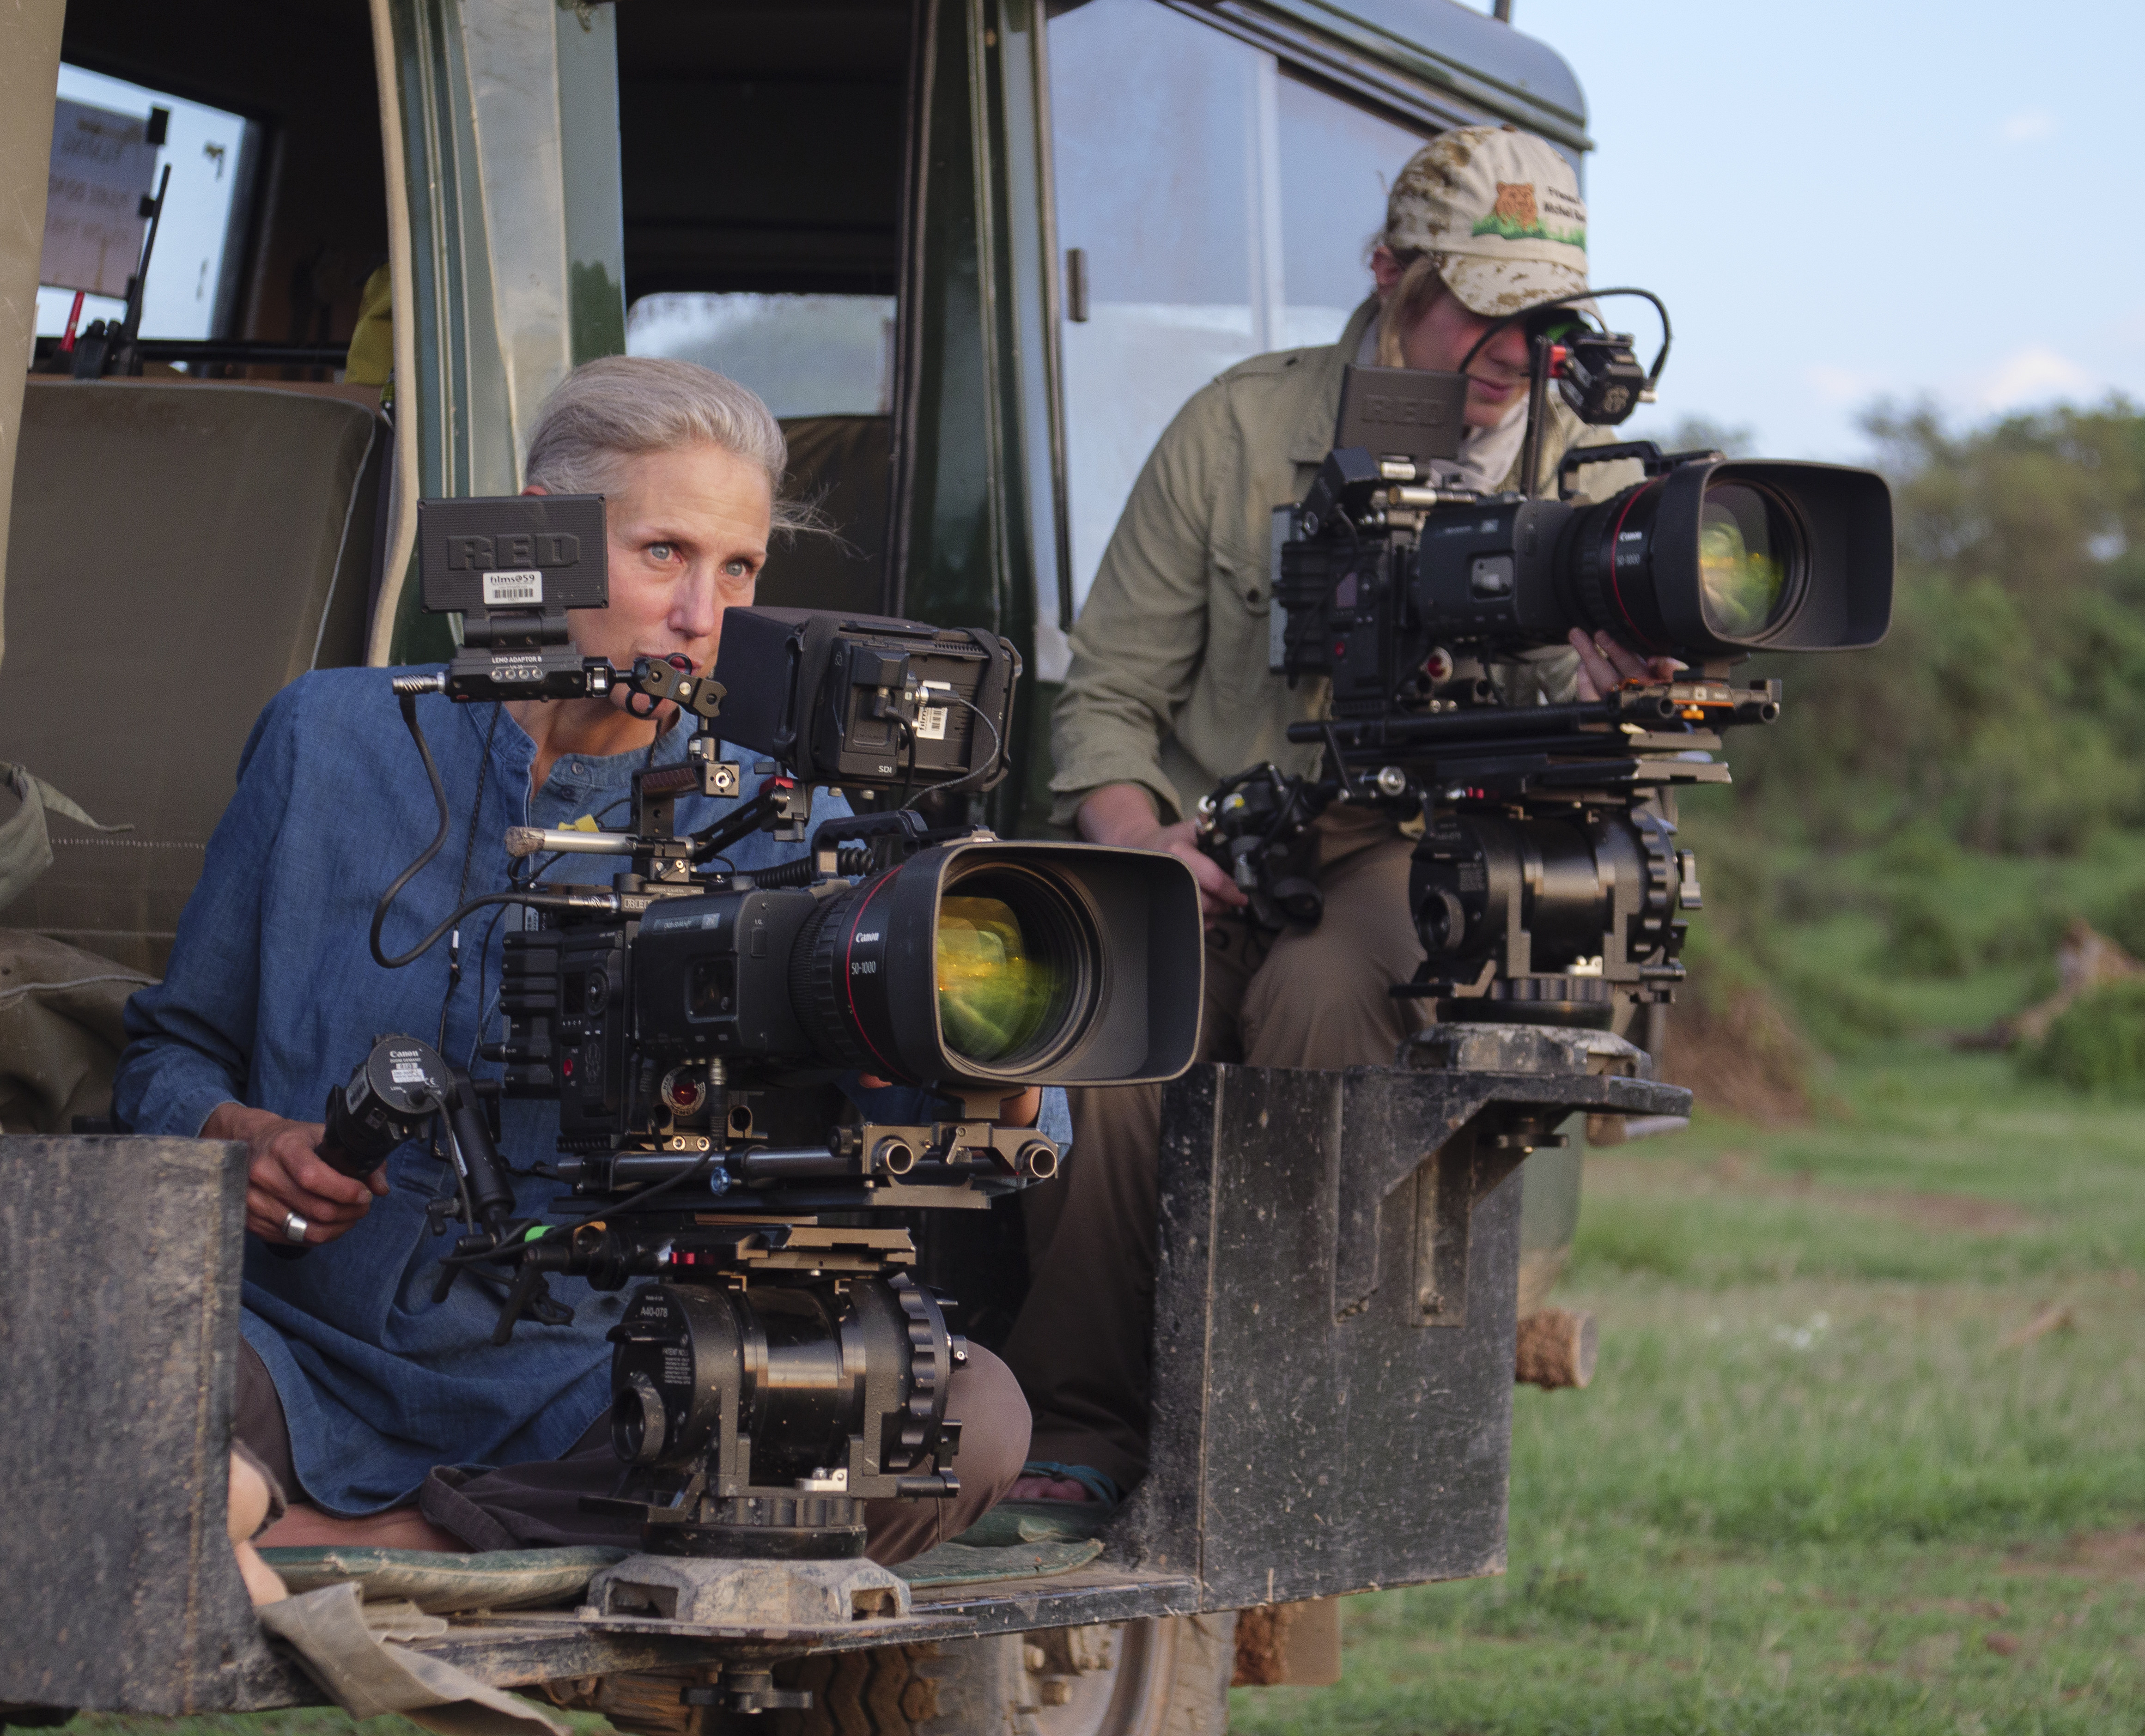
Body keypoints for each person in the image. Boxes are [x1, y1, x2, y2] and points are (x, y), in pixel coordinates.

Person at [115, 355, 1031, 1563]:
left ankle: (368, 1544)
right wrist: (244, 1138)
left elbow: (994, 1108)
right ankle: (418, 1535)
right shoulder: (327, 735)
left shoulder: (802, 814)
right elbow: (168, 1053)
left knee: (960, 1411)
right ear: (544, 532)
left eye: (739, 567)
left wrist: (1002, 1048)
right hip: (291, 1347)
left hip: (611, 1373)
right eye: (664, 554)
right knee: (87, 1347)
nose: (703, 616)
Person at [1003, 124, 1676, 1503]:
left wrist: (1629, 673)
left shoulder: (1587, 472)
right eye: (1479, 312)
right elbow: (1110, 706)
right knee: (1111, 1046)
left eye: (1540, 323)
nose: (1508, 355)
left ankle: (1277, 1420)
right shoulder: (1240, 426)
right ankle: (1078, 1432)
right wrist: (1143, 852)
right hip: (1217, 839)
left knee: (1321, 998)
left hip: (1424, 858)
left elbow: (1624, 722)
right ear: (1387, 275)